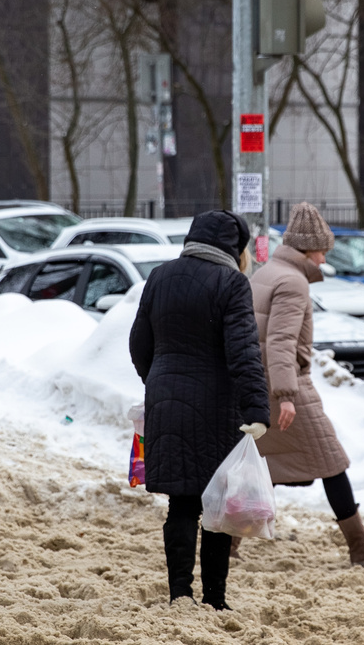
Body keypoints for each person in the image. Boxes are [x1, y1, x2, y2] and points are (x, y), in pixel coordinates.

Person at [248, 202, 364, 566]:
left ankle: (228, 542)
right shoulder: (292, 281)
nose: (324, 259)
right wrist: (287, 395)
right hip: (284, 385)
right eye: (322, 250)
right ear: (308, 248)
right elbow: (280, 341)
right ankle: (360, 544)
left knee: (265, 465)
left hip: (262, 382)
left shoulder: (268, 271)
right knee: (329, 460)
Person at [129, 210, 270, 610]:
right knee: (217, 506)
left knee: (181, 503)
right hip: (215, 407)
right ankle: (215, 599)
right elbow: (244, 353)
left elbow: (139, 344)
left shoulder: (160, 276)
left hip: (166, 402)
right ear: (234, 247)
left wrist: (157, 381)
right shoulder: (232, 283)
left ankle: (179, 595)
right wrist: (257, 409)